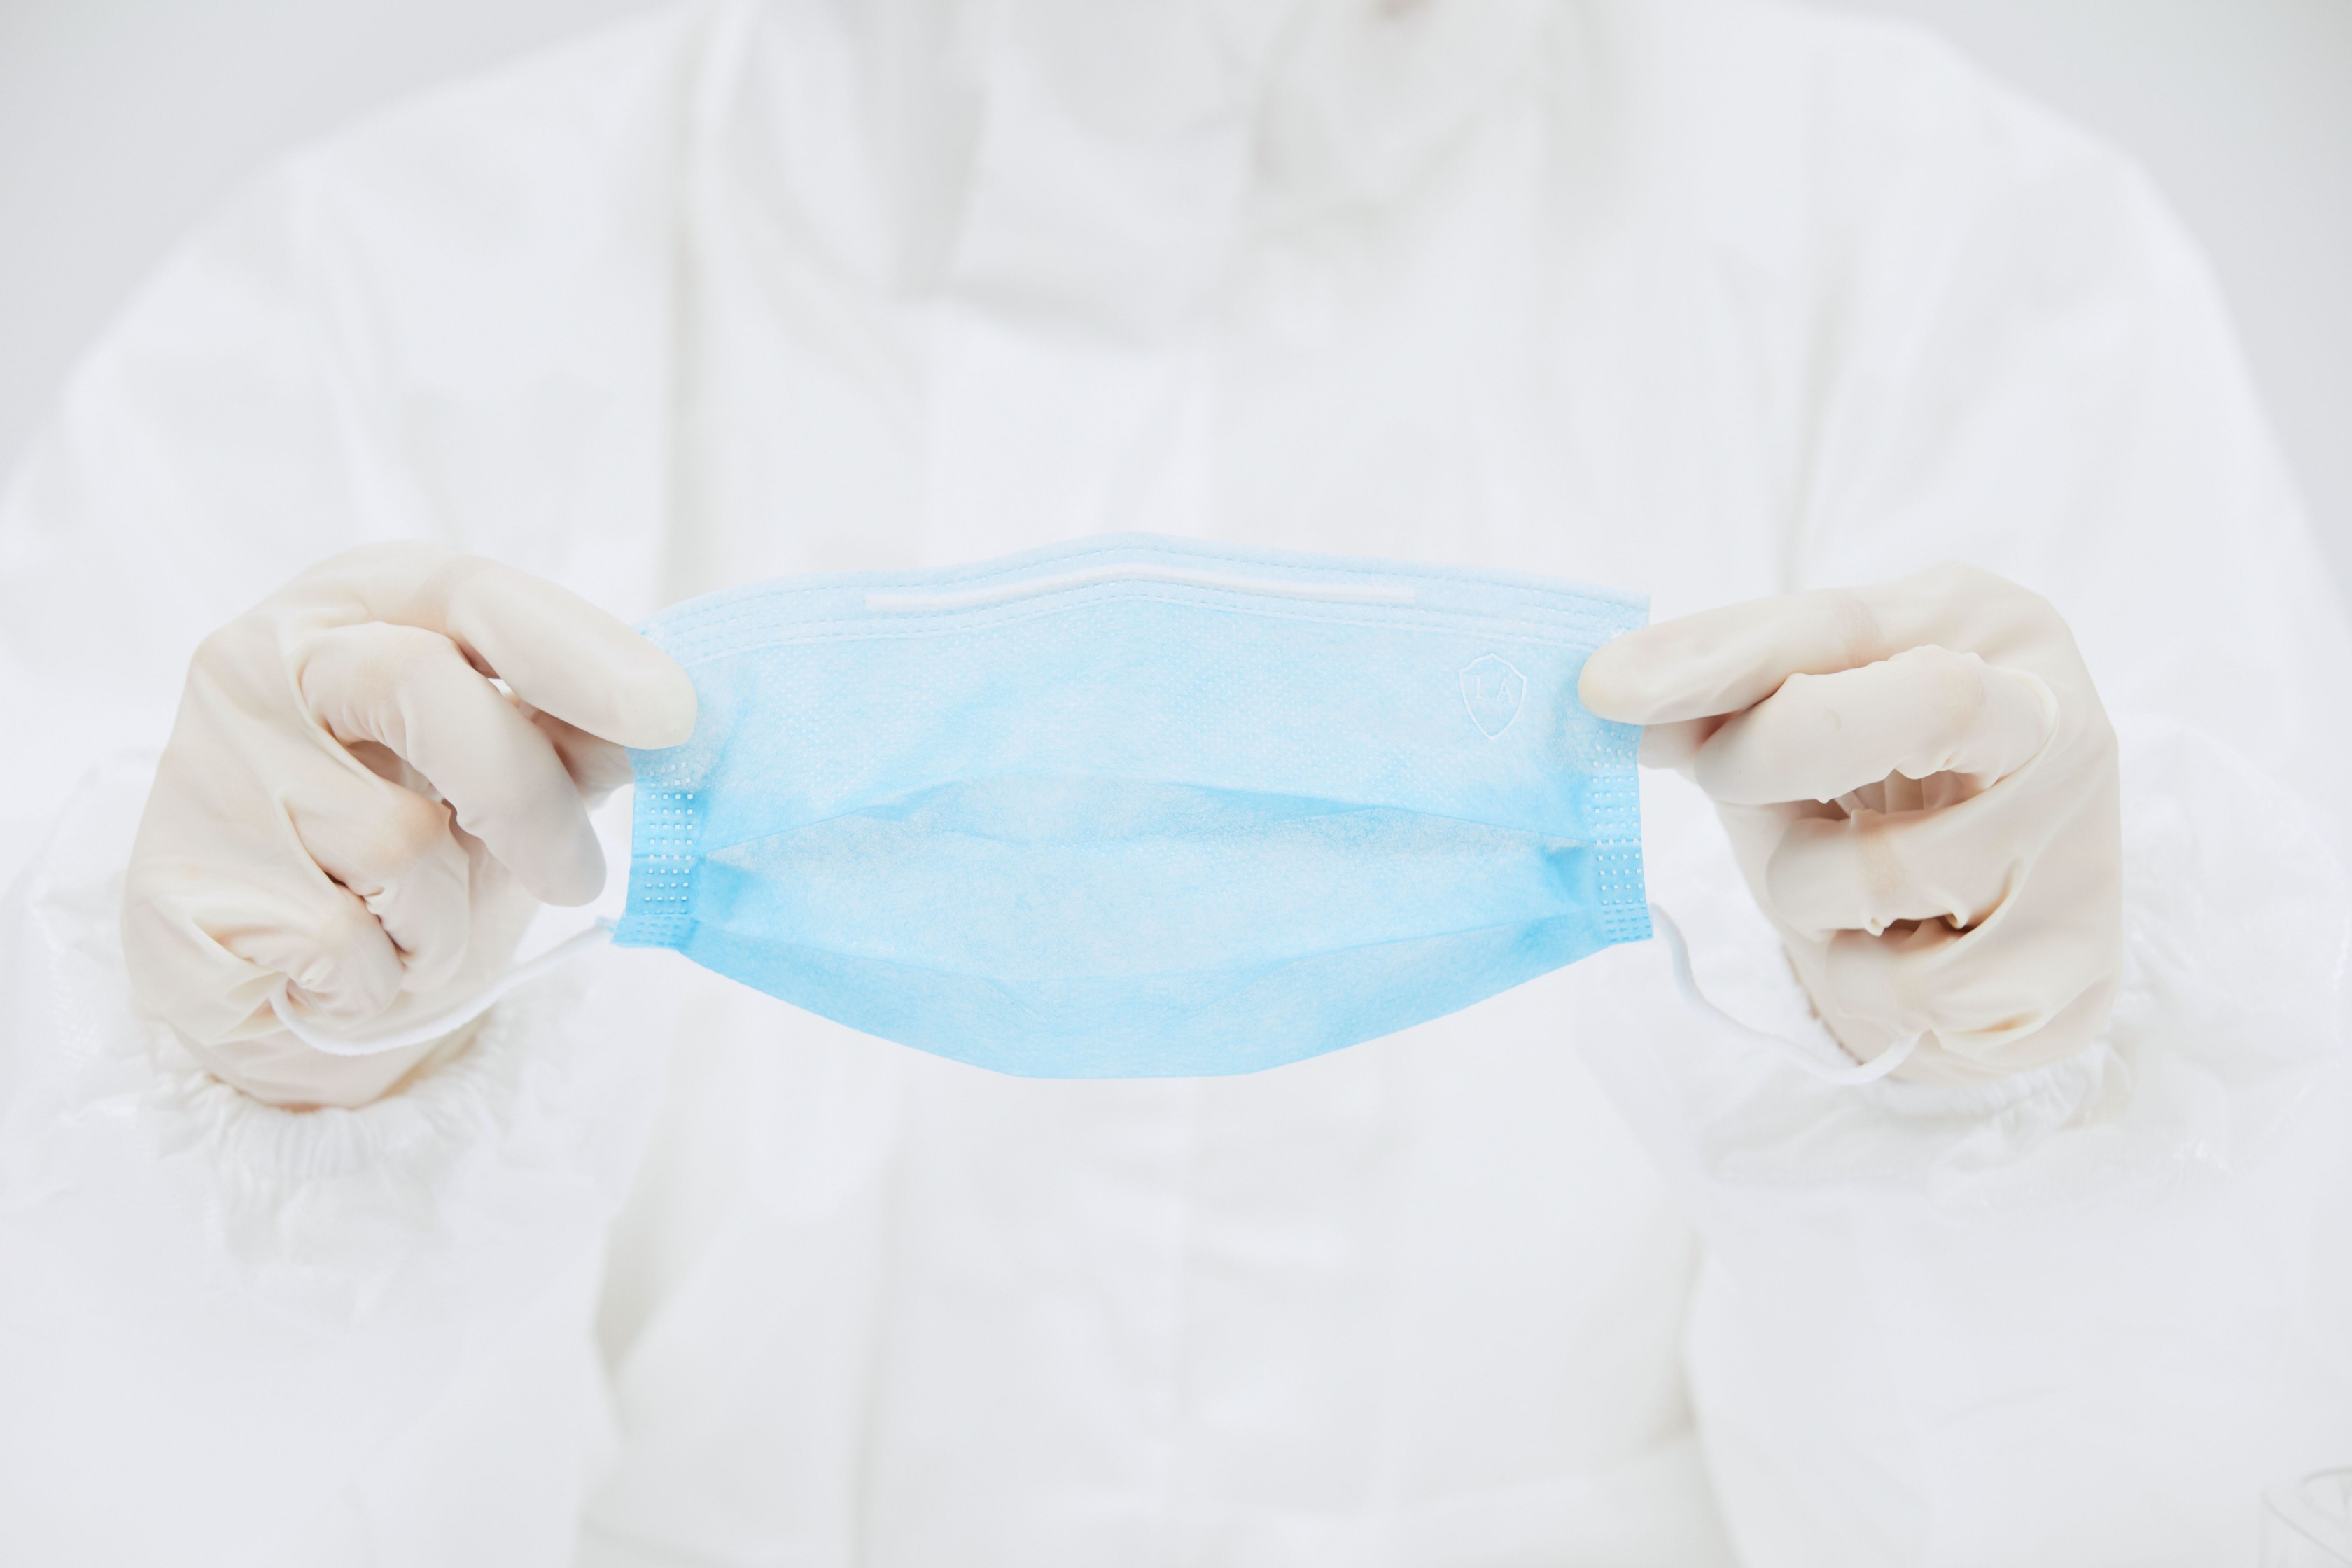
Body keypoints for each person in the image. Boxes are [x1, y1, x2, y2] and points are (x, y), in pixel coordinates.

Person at [1, 1, 2347, 1562]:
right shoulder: (358, 303)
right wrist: (240, 1122)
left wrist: (2039, 1109)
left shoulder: (1955, 267)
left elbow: (2185, 1489)